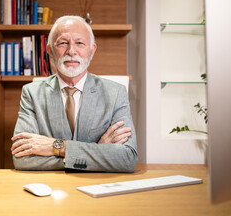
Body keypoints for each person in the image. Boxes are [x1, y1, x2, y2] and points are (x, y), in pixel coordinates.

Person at [11, 15, 138, 172]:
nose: (71, 51)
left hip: (99, 189)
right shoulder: (31, 93)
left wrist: (56, 147)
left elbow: (127, 158)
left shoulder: (116, 93)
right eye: (63, 43)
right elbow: (22, 159)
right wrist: (98, 151)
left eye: (80, 43)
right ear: (50, 51)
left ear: (91, 51)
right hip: (50, 189)